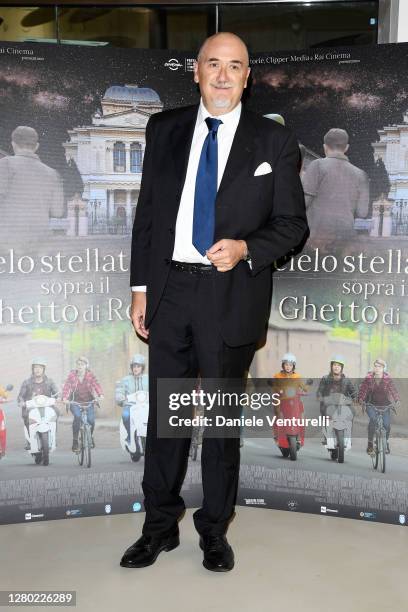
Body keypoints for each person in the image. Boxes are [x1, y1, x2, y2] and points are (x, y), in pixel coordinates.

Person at [124, 32, 308, 572]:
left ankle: (213, 532)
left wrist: (248, 247)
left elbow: (293, 224)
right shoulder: (164, 128)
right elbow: (148, 216)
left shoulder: (273, 141)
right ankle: (159, 528)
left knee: (222, 425)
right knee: (167, 421)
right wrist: (141, 289)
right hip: (170, 292)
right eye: (213, 64)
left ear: (248, 76)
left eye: (235, 66)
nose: (224, 76)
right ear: (197, 71)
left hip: (231, 296)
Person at [302, 128, 369, 241]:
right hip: (345, 234)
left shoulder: (317, 165)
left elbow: (305, 202)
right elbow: (362, 212)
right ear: (346, 147)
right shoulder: (361, 174)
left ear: (325, 146)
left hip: (316, 234)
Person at [0, 126, 64, 241]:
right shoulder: (52, 173)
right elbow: (57, 211)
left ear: (13, 144)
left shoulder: (4, 165)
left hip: (7, 240)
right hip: (39, 241)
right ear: (36, 146)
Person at [358, 358, 400, 455]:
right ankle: (370, 443)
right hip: (371, 404)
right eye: (375, 366)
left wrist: (397, 399)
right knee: (373, 419)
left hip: (385, 405)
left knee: (387, 425)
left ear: (384, 368)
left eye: (380, 367)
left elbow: (393, 390)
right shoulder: (369, 378)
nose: (377, 368)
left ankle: (386, 442)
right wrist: (361, 399)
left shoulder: (387, 379)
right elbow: (363, 389)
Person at [62, 356, 103, 452]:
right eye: (78, 364)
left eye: (82, 364)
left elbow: (96, 384)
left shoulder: (90, 375)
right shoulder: (72, 375)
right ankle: (75, 440)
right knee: (77, 416)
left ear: (86, 366)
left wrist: (100, 394)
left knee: (91, 420)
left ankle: (90, 436)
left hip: (88, 402)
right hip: (74, 402)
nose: (80, 366)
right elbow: (67, 387)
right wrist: (64, 398)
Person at [17, 358, 59, 451]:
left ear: (44, 369)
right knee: (26, 416)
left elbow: (56, 393)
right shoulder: (27, 382)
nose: (38, 369)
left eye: (40, 367)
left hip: (47, 407)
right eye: (35, 367)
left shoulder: (49, 381)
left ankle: (52, 436)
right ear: (32, 369)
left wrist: (58, 398)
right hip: (31, 408)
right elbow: (21, 396)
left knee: (56, 412)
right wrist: (21, 402)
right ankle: (29, 440)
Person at [316, 355, 357, 446]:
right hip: (329, 404)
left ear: (342, 368)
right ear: (331, 366)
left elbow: (353, 392)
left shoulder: (346, 380)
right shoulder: (325, 378)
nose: (336, 367)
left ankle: (348, 436)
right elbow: (320, 390)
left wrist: (356, 398)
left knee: (352, 412)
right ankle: (326, 436)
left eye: (338, 365)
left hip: (343, 404)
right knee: (325, 415)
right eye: (334, 365)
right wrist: (320, 397)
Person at [115, 353, 149, 444]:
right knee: (126, 416)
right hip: (130, 405)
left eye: (138, 366)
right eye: (134, 366)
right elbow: (119, 391)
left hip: (146, 405)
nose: (136, 368)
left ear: (142, 367)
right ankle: (129, 436)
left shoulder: (148, 379)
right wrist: (121, 398)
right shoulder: (126, 380)